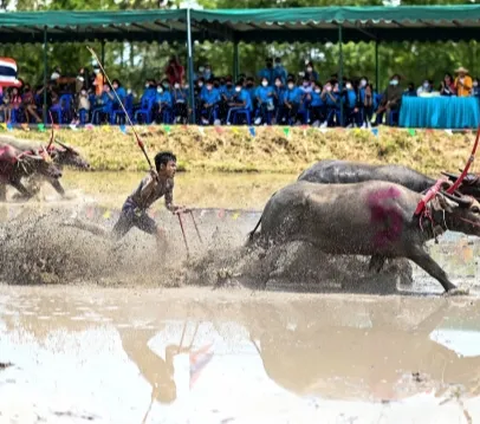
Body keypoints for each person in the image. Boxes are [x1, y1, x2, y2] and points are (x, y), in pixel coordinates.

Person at [112, 151, 185, 257]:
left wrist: (177, 208)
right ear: (162, 166)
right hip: (131, 209)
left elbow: (168, 204)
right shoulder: (150, 179)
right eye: (172, 165)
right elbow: (143, 194)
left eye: (175, 165)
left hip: (139, 211)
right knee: (161, 232)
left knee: (111, 237)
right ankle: (159, 266)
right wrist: (152, 183)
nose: (175, 168)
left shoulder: (170, 183)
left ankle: (82, 225)